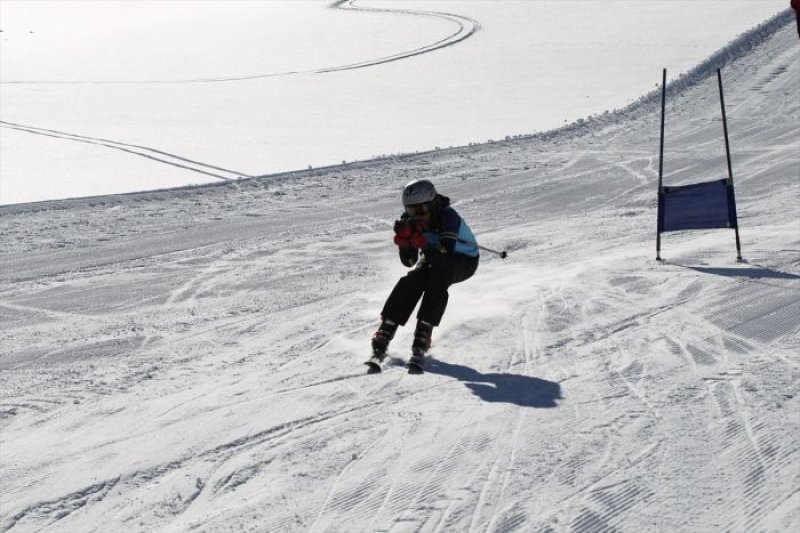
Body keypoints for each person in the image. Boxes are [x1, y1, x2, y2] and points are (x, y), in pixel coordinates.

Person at [371, 179, 480, 367]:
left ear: (432, 203)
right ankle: (387, 328)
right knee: (413, 279)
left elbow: (445, 255)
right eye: (411, 211)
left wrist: (422, 243)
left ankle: (424, 331)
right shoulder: (410, 220)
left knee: (437, 278)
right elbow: (410, 262)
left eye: (420, 210)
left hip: (463, 259)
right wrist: (405, 244)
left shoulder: (448, 216)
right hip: (434, 257)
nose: (417, 216)